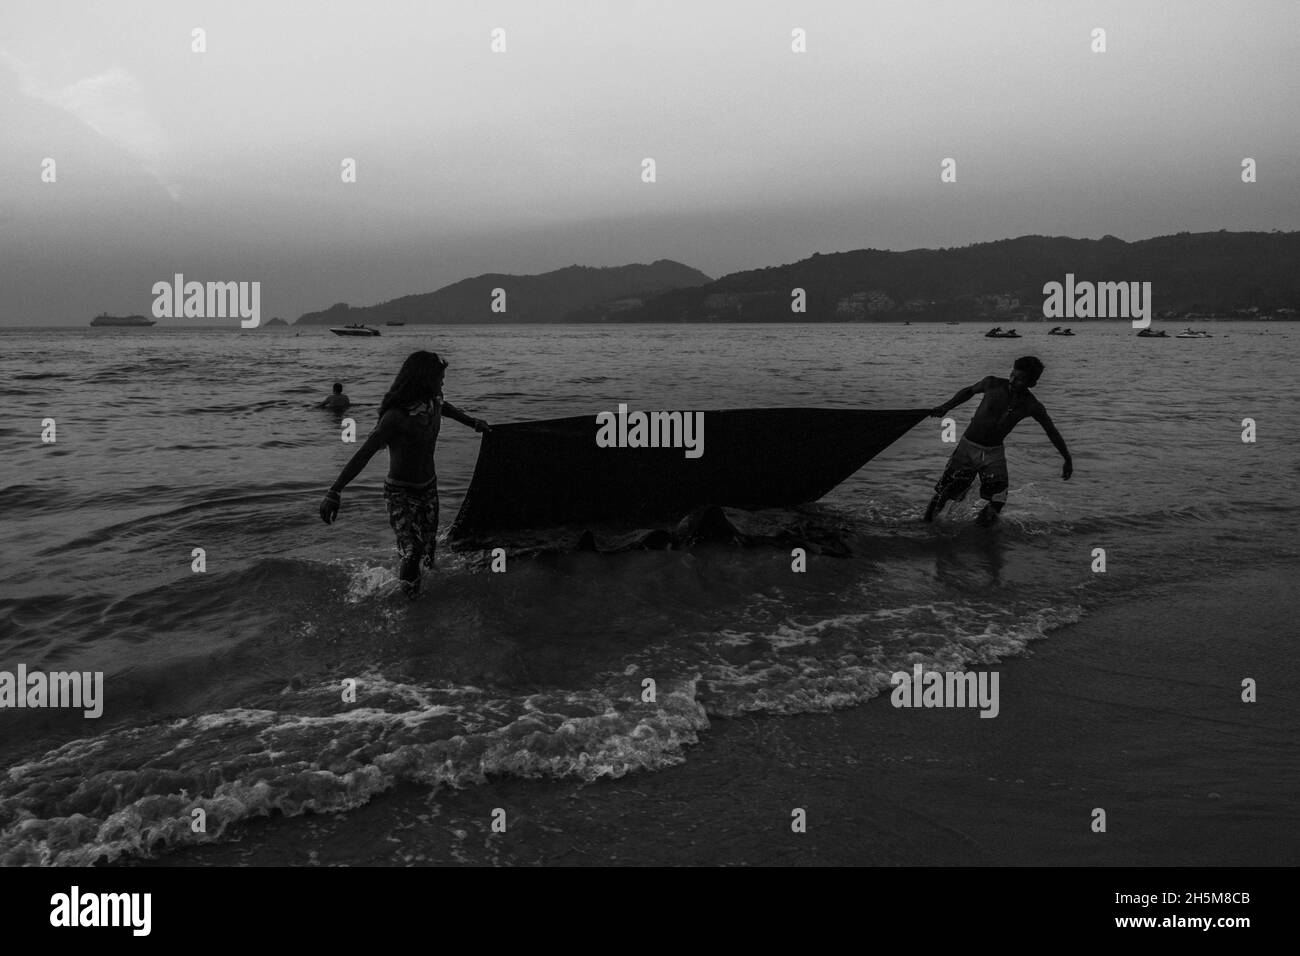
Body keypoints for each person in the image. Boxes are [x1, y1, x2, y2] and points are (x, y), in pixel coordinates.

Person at [318, 351, 490, 596]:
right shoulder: (395, 417)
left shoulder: (434, 401)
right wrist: (334, 491)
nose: (442, 382)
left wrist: (472, 422)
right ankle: (410, 606)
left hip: (429, 488)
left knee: (429, 550)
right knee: (413, 551)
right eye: (439, 378)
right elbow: (364, 453)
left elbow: (446, 408)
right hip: (400, 492)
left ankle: (424, 592)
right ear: (423, 378)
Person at [924, 355, 1072, 524]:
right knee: (946, 490)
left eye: (1020, 379)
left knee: (998, 500)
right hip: (967, 448)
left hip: (993, 454)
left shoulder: (1032, 405)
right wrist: (945, 407)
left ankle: (981, 535)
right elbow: (969, 391)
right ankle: (926, 525)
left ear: (1032, 383)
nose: (1013, 380)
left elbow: (1051, 431)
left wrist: (1067, 458)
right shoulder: (992, 383)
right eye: (1012, 375)